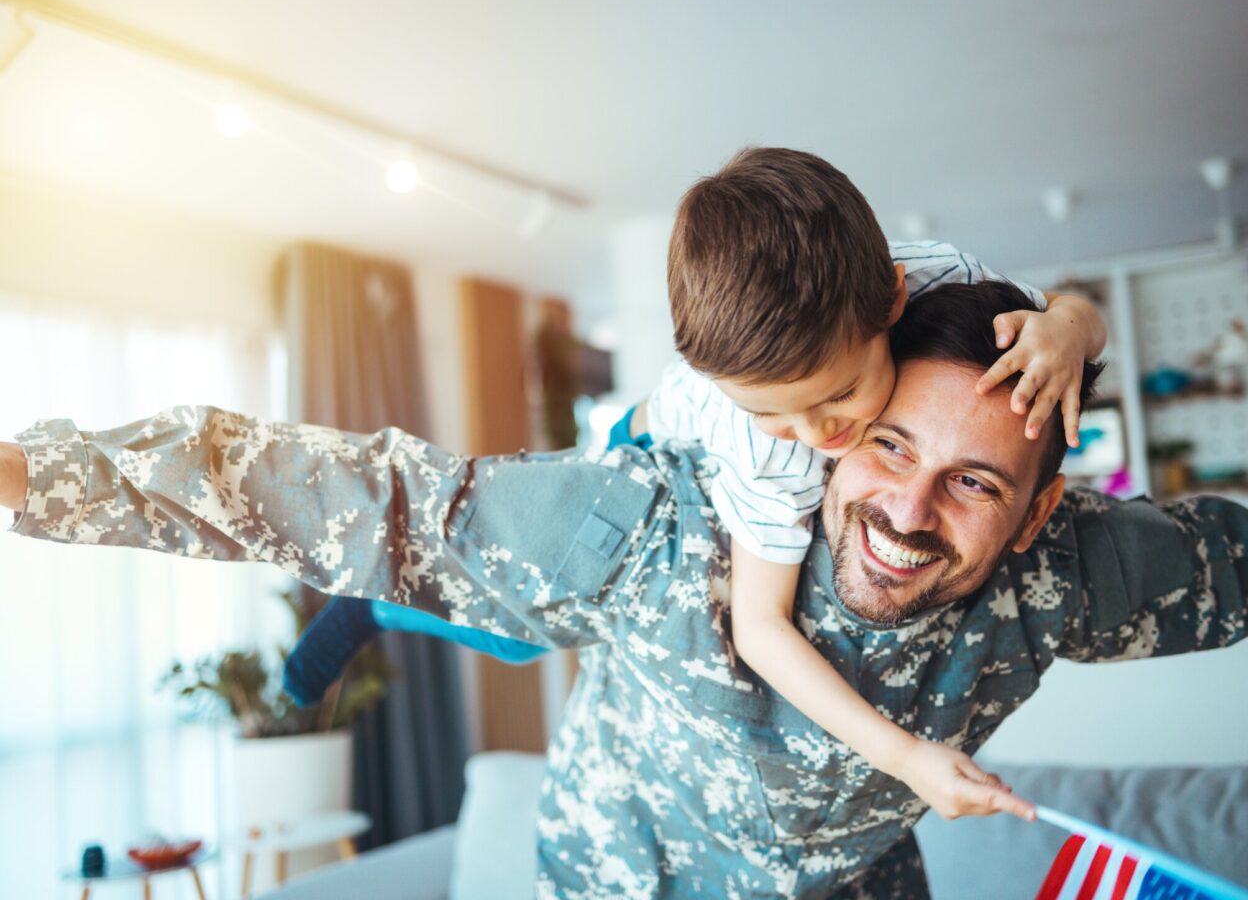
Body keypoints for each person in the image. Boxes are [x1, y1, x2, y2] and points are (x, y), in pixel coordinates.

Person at [3, 281, 1248, 898]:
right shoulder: (647, 527)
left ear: (1034, 513)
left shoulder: (1063, 579)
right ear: (836, 419)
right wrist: (24, 478)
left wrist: (1074, 312)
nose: (905, 511)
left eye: (971, 484)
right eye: (889, 446)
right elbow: (337, 489)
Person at [287, 149, 1108, 825]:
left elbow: (1075, 308)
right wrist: (904, 756)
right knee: (527, 624)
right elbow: (760, 628)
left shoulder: (946, 278)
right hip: (646, 446)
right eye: (772, 410)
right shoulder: (770, 450)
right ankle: (380, 601)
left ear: (891, 297)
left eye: (838, 396)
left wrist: (1068, 329)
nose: (818, 433)